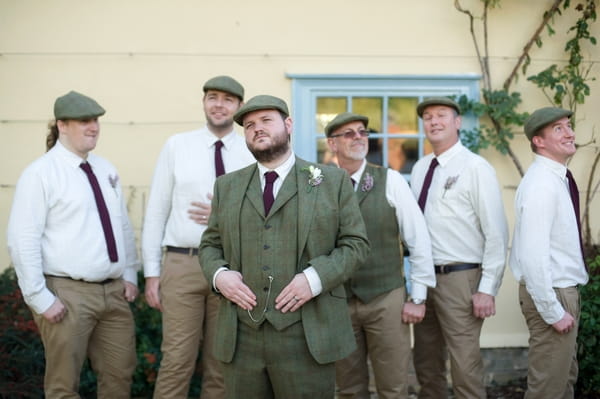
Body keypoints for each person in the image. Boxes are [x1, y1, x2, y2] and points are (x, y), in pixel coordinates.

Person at [199, 95, 370, 399]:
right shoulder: (227, 187)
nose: (257, 129)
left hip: (307, 334)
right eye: (250, 125)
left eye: (266, 121)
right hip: (241, 336)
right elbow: (210, 246)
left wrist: (314, 278)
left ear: (288, 125)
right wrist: (219, 276)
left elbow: (356, 245)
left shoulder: (331, 181)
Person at [7, 90, 140, 398]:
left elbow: (120, 224)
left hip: (114, 293)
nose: (93, 127)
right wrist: (39, 298)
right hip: (67, 294)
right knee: (63, 386)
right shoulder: (40, 173)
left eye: (95, 120)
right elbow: (22, 239)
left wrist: (130, 274)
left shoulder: (106, 169)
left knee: (120, 377)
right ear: (62, 125)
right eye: (84, 121)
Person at [142, 76, 254, 398]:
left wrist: (223, 217)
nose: (219, 104)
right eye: (213, 97)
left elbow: (266, 212)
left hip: (234, 267)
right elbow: (156, 210)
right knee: (177, 359)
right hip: (184, 263)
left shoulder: (250, 150)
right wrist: (152, 273)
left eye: (228, 100)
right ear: (204, 102)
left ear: (239, 107)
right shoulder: (177, 145)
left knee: (222, 363)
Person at [325, 112, 436, 399]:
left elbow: (418, 238)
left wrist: (418, 296)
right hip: (338, 301)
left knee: (393, 386)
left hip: (385, 298)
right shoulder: (321, 185)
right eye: (348, 134)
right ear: (332, 144)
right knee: (348, 388)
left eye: (362, 132)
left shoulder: (390, 180)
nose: (358, 138)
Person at [410, 97, 508, 399]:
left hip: (461, 279)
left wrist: (487, 287)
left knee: (465, 364)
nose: (434, 121)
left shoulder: (476, 167)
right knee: (426, 362)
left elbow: (497, 232)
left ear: (457, 122)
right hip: (424, 278)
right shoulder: (420, 168)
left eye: (441, 115)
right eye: (428, 117)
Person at [509, 107, 588, 398]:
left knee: (563, 381)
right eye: (558, 129)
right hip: (553, 294)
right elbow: (533, 256)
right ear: (538, 141)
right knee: (547, 389)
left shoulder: (555, 178)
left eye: (568, 126)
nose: (570, 133)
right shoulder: (541, 184)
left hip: (560, 291)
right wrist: (553, 310)